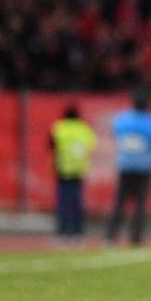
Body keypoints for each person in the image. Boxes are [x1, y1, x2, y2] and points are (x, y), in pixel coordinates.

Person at [104, 89, 151, 247]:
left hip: (125, 164)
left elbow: (116, 135)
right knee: (140, 203)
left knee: (119, 201)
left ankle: (111, 236)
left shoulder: (122, 119)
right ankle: (136, 237)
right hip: (144, 166)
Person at [49, 104, 96, 242]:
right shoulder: (84, 129)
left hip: (62, 169)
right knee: (77, 202)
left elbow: (51, 145)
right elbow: (91, 146)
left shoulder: (59, 128)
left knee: (63, 202)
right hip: (79, 170)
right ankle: (78, 231)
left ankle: (62, 231)